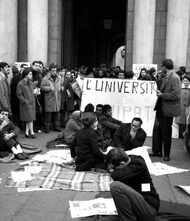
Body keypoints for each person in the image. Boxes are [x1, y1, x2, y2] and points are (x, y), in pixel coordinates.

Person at [106, 148, 160, 221]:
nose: (113, 170)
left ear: (122, 163)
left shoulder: (137, 166)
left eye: (114, 168)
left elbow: (115, 175)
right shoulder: (130, 159)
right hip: (141, 203)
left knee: (116, 187)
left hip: (149, 209)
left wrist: (111, 170)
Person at [150, 59, 181, 161]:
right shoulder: (165, 76)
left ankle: (166, 154)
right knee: (157, 131)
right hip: (161, 107)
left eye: (161, 67)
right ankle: (157, 151)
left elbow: (176, 95)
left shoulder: (175, 78)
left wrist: (162, 95)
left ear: (164, 67)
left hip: (167, 109)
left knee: (166, 132)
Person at [41, 63, 63, 133]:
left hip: (57, 98)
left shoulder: (59, 78)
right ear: (50, 71)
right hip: (49, 99)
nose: (54, 72)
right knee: (48, 115)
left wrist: (62, 88)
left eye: (55, 70)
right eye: (53, 70)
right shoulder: (45, 78)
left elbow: (62, 85)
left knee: (57, 115)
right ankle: (47, 128)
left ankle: (57, 127)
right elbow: (42, 87)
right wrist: (49, 88)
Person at [17, 67, 37, 138]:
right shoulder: (20, 84)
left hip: (31, 103)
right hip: (26, 104)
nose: (31, 75)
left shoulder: (31, 83)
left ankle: (26, 132)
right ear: (26, 75)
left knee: (29, 118)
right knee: (30, 119)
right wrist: (25, 101)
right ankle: (31, 132)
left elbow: (36, 89)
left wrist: (36, 92)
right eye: (30, 74)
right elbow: (19, 95)